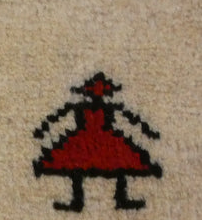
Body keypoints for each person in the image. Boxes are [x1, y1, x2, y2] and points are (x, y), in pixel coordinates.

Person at [33, 72, 161, 211]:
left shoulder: (97, 106)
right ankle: (106, 200)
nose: (97, 94)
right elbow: (134, 119)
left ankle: (103, 200)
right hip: (92, 141)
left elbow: (133, 119)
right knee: (113, 163)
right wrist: (149, 133)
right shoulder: (85, 106)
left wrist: (42, 131)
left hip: (95, 141)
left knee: (92, 165)